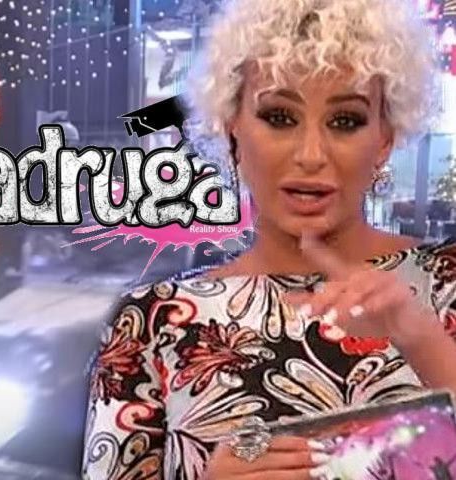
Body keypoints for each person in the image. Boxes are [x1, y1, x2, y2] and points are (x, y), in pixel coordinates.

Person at [81, 0, 456, 478]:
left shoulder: (446, 286)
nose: (311, 155)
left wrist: (425, 342)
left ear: (385, 138)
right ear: (232, 128)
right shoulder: (151, 324)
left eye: (346, 121)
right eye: (280, 117)